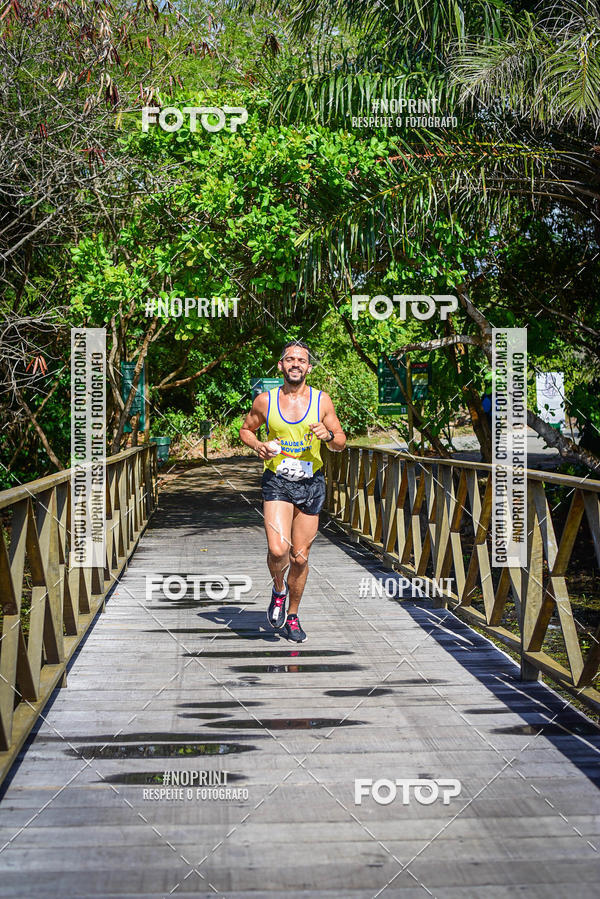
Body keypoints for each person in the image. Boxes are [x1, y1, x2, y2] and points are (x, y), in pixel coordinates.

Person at [239, 340, 346, 642]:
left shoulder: (322, 401)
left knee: (299, 558)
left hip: (311, 484)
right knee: (278, 549)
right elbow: (245, 429)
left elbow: (341, 441)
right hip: (277, 482)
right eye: (290, 359)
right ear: (281, 366)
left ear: (309, 367)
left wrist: (328, 436)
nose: (296, 363)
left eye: (302, 360)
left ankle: (293, 616)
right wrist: (258, 445)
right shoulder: (265, 401)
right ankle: (278, 589)